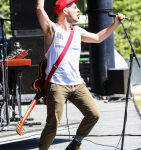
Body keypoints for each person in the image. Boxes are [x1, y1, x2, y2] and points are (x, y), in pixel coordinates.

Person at [36, 0, 125, 149]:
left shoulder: (78, 31)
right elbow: (39, 8)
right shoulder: (52, 29)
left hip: (77, 84)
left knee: (94, 115)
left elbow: (98, 37)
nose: (78, 11)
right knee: (53, 124)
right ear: (65, 10)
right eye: (75, 7)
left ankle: (75, 144)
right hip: (57, 84)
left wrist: (115, 24)